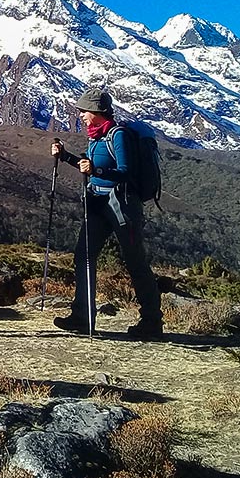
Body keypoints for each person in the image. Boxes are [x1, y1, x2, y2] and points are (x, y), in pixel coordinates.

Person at [50, 88, 163, 338]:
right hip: (98, 202)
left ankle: (152, 321)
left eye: (84, 111)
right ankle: (82, 316)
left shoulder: (118, 135)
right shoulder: (96, 136)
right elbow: (90, 166)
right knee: (84, 256)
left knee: (135, 260)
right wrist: (66, 156)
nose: (80, 116)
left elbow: (125, 171)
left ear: (97, 112)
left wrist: (97, 173)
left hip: (121, 204)